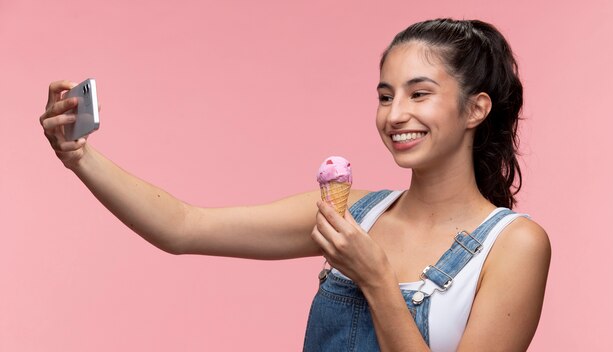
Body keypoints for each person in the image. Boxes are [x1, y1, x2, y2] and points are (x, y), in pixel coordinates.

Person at [40, 18, 550, 352]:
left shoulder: (514, 246)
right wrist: (79, 157)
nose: (396, 115)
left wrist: (374, 279)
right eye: (385, 95)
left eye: (420, 94)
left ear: (476, 109)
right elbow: (183, 227)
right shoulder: (353, 215)